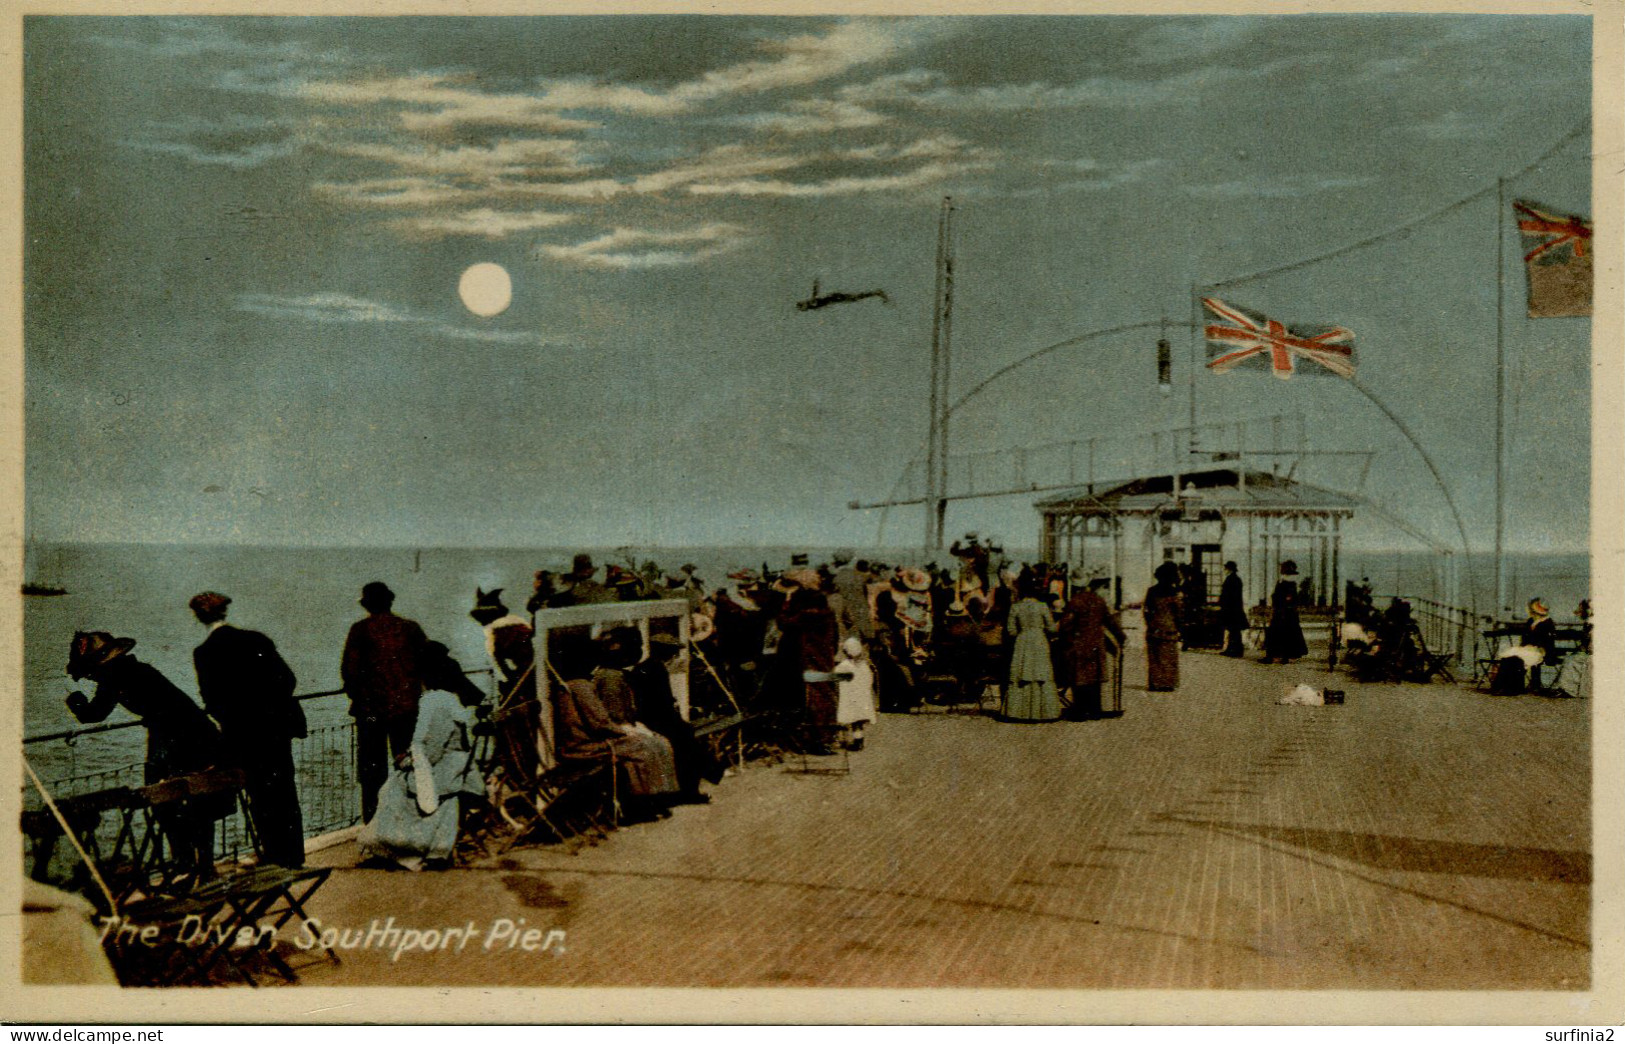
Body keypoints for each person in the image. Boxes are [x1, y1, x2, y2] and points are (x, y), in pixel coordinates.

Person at [65, 631, 227, 877]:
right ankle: (202, 866)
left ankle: (184, 862)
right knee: (196, 802)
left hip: (175, 739)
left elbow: (93, 714)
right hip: (197, 734)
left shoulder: (113, 677)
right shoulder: (135, 670)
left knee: (162, 800)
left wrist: (74, 699)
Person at [190, 591, 307, 868]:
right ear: (224, 612)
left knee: (260, 797)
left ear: (198, 617)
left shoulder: (204, 653)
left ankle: (273, 856)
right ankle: (293, 855)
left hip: (243, 736)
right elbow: (287, 680)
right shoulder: (256, 639)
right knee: (285, 792)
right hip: (277, 730)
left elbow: (212, 700)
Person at [356, 682, 487, 871]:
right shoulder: (449, 702)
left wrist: (407, 761)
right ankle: (397, 846)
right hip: (457, 767)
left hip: (448, 770)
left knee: (395, 786)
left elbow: (432, 752)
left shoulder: (436, 704)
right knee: (398, 783)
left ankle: (397, 847)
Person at [551, 641, 679, 820]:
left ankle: (648, 801)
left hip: (580, 743)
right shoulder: (581, 686)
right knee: (642, 746)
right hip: (583, 748)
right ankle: (642, 804)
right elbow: (600, 722)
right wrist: (625, 732)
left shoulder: (573, 684)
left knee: (643, 745)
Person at [341, 582, 430, 823]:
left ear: (367, 604)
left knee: (372, 772)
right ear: (390, 601)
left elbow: (349, 672)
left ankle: (376, 824)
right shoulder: (410, 628)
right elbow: (428, 664)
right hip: (407, 710)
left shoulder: (360, 630)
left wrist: (361, 698)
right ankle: (416, 819)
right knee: (411, 765)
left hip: (371, 714)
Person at [628, 634, 721, 804]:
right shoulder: (657, 669)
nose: (674, 656)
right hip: (660, 721)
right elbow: (663, 703)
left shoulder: (642, 668)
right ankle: (693, 788)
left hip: (650, 721)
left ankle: (698, 780)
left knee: (687, 747)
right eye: (672, 652)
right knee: (689, 749)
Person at [469, 588, 541, 790]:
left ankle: (520, 781)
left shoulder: (500, 633)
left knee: (516, 739)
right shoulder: (519, 627)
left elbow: (506, 670)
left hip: (520, 693)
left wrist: (510, 687)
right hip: (530, 687)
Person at [1057, 577, 1125, 720]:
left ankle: (1080, 710)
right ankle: (1095, 709)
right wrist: (1120, 636)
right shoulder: (1098, 600)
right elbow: (1110, 620)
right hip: (1096, 643)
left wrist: (1065, 637)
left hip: (1079, 644)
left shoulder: (1075, 602)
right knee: (1094, 677)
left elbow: (1065, 625)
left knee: (1079, 678)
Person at [1004, 577, 1061, 722]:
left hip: (1022, 641)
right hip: (1039, 640)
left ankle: (1018, 712)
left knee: (1022, 674)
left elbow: (1011, 631)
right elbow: (1052, 628)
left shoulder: (1015, 607)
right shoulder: (1042, 606)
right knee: (1040, 674)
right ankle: (1043, 712)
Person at [1143, 562, 1184, 692]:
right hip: (1170, 628)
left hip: (1154, 627)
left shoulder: (1152, 591)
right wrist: (1180, 628)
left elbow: (1146, 610)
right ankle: (1168, 683)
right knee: (1169, 656)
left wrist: (1150, 623)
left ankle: (1155, 683)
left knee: (1155, 656)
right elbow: (1179, 613)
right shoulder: (1175, 593)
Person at [1262, 561, 1308, 664]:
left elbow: (1284, 598)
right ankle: (1284, 656)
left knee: (1277, 634)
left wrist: (1277, 601)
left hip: (1282, 613)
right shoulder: (1289, 583)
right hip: (1288, 614)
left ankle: (1274, 657)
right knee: (1288, 635)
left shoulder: (1285, 583)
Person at [834, 637, 876, 750]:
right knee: (858, 724)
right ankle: (859, 741)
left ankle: (849, 741)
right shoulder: (864, 666)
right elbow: (869, 680)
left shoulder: (844, 666)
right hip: (862, 699)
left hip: (850, 699)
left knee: (852, 721)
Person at [1523, 598, 1558, 691]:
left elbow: (1547, 640)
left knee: (1534, 657)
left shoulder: (1548, 622)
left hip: (1543, 650)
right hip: (1529, 648)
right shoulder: (1530, 621)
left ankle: (1535, 684)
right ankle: (1508, 685)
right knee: (1513, 657)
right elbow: (1525, 637)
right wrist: (1525, 646)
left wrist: (1537, 646)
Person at [1219, 562, 1248, 658]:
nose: (1225, 570)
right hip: (1234, 608)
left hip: (1232, 609)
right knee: (1233, 630)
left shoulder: (1232, 579)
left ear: (1229, 569)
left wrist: (1224, 605)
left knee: (1234, 630)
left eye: (1226, 568)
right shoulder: (1235, 579)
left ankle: (1236, 651)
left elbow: (1229, 595)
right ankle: (1232, 649)